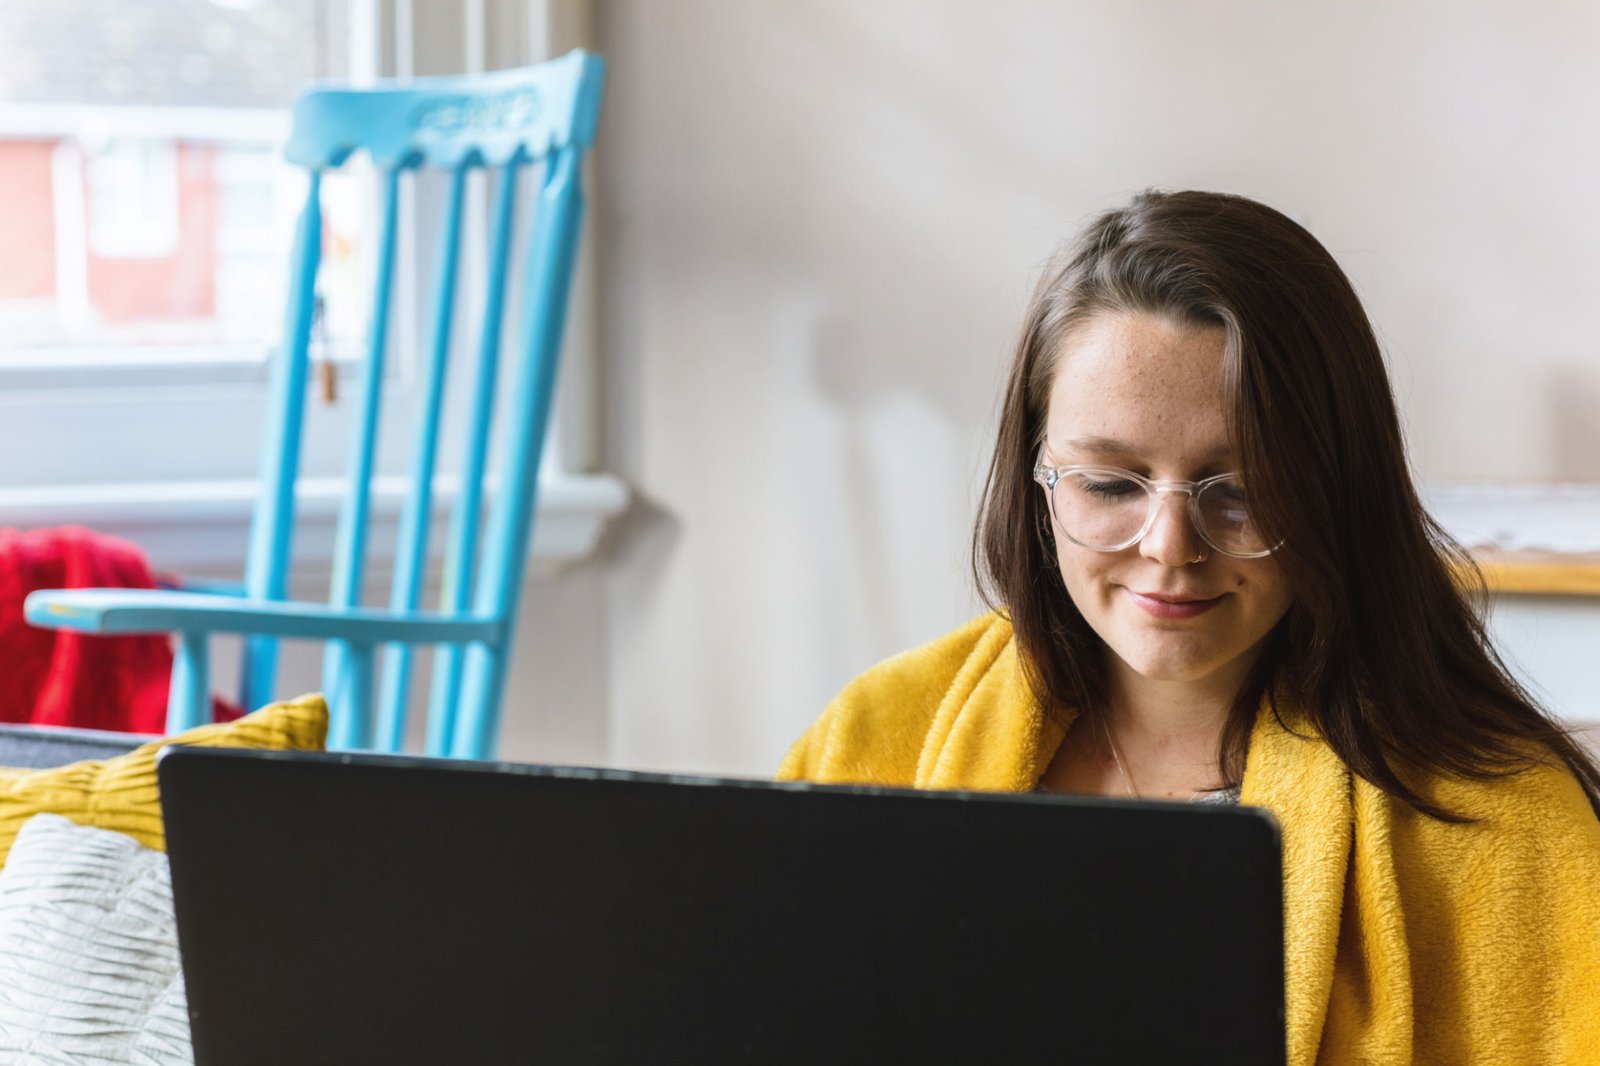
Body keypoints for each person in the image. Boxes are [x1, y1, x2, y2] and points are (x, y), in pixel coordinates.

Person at [777, 190, 1600, 1065]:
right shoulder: (871, 742)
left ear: (1334, 491)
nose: (1169, 548)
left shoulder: (1509, 830)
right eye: (1110, 484)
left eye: (1239, 492)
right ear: (1035, 479)